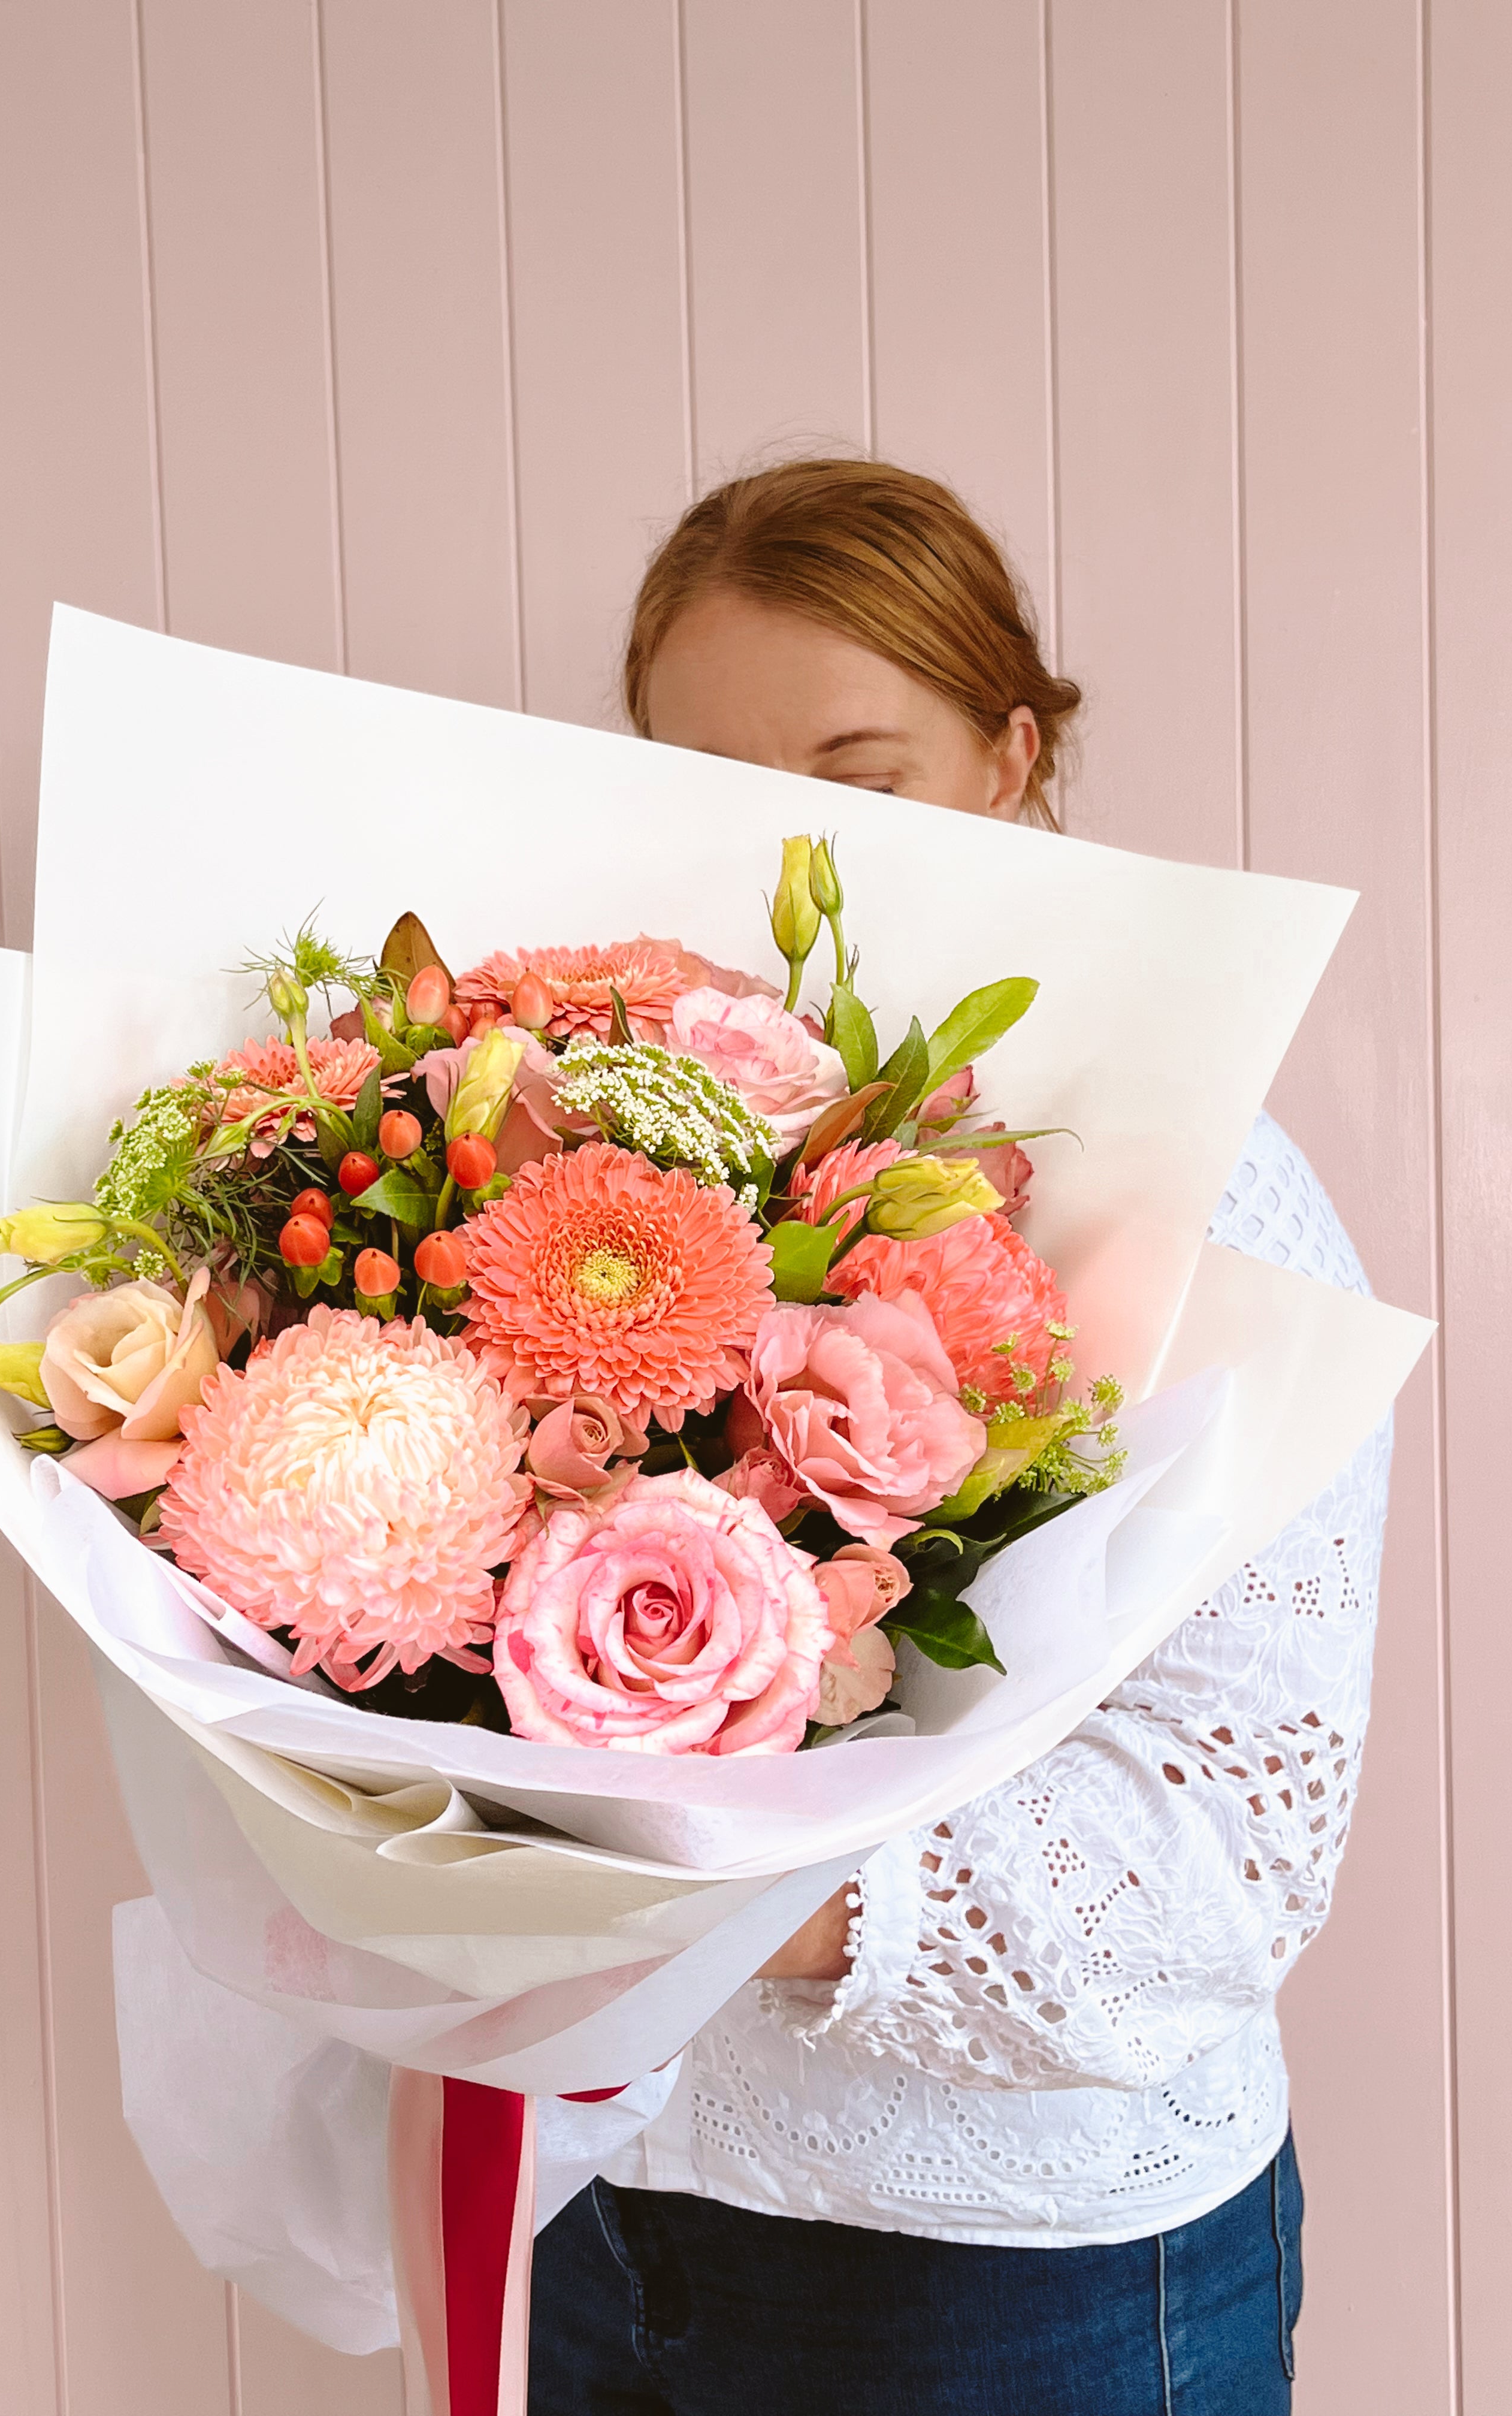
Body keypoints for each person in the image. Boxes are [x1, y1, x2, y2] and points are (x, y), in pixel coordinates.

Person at [528, 460, 1389, 2415]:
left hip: (1015, 2280)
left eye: (862, 773)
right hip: (619, 2209)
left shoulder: (1205, 1199)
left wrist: (697, 1895)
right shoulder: (608, 1167)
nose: (784, 854)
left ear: (1008, 760)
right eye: (708, 786)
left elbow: (1227, 1858)